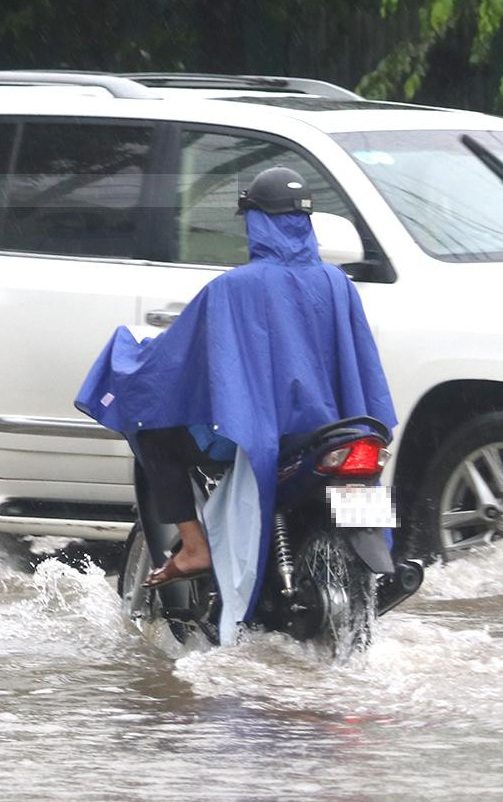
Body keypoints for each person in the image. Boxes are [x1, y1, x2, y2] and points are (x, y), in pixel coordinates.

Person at [77, 166, 396, 640]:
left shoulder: (233, 288)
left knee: (152, 429)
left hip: (262, 437)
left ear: (257, 222)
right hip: (336, 433)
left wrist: (128, 353)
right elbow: (360, 366)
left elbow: (177, 363)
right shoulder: (337, 282)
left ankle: (193, 545)